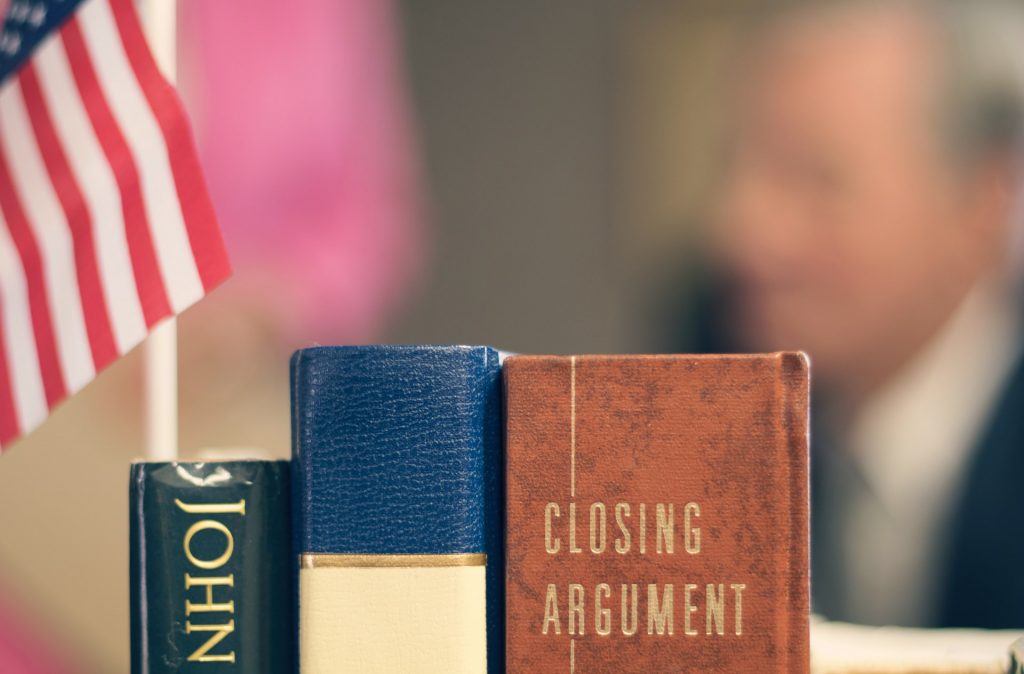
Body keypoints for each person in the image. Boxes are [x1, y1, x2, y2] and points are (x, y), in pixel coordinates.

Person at [703, 0, 1024, 628]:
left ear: (980, 208)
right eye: (733, 168)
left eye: (813, 179)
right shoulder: (708, 385)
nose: (739, 229)